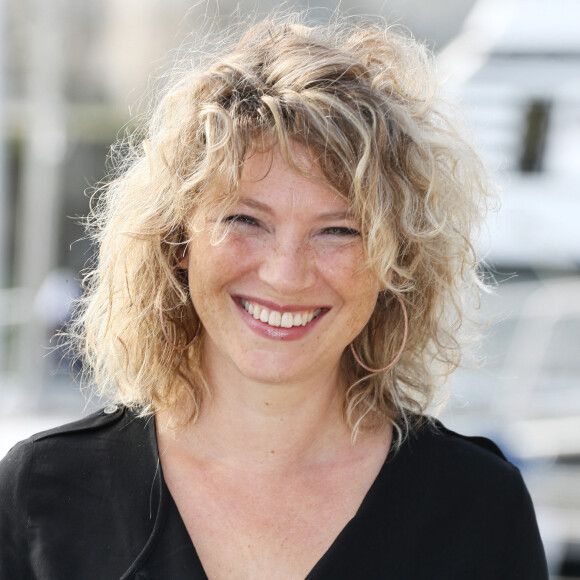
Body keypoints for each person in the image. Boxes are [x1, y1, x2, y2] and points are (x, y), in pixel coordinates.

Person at [0, 15, 548, 579]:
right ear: (177, 239)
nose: (286, 275)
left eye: (339, 230)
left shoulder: (478, 508)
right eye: (245, 220)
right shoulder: (43, 493)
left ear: (395, 262)